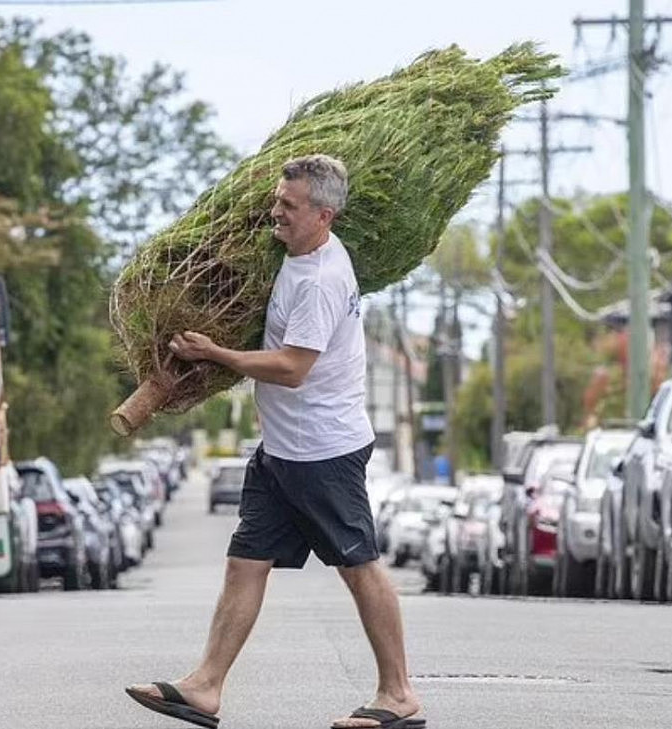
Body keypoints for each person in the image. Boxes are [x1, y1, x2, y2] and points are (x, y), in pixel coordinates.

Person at [125, 155, 425, 729]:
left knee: (358, 565)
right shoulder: (295, 257)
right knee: (245, 562)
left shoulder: (320, 280)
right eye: (277, 200)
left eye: (288, 206)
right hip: (282, 451)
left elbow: (291, 367)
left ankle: (399, 693)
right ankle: (205, 686)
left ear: (324, 215)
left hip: (324, 452)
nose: (276, 213)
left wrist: (215, 354)